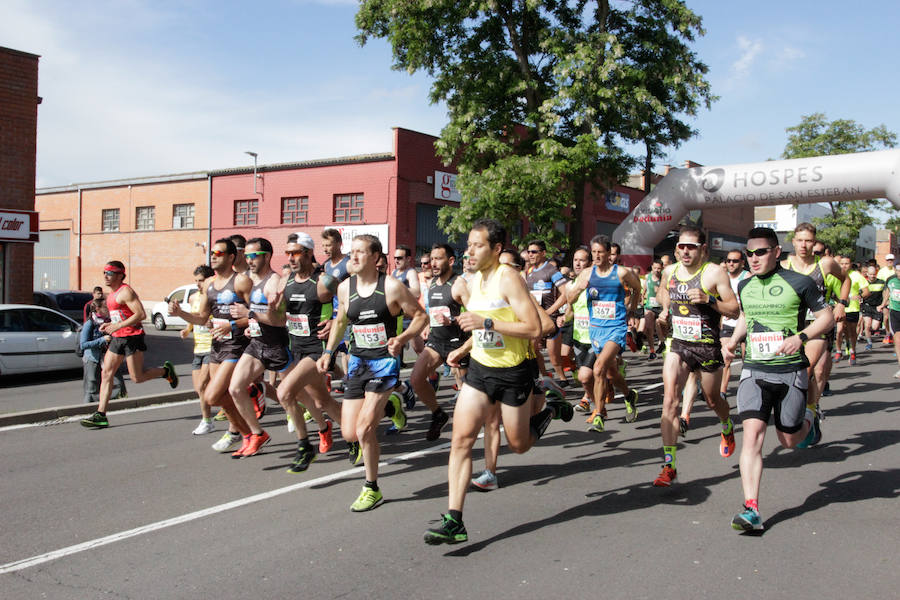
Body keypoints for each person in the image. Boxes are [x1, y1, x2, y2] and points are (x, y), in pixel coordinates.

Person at [424, 219, 572, 545]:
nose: (470, 251)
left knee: (519, 445)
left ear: (496, 249)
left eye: (478, 246)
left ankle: (549, 409)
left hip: (513, 373)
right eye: (469, 245)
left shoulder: (509, 279)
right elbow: (478, 327)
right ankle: (454, 519)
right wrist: (464, 344)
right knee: (461, 440)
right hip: (480, 371)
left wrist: (487, 322)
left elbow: (535, 328)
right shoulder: (471, 281)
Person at [722, 227, 833, 532]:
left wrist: (801, 337)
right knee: (752, 436)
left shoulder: (800, 282)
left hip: (789, 371)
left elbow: (826, 317)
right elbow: (746, 316)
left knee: (789, 441)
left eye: (760, 252)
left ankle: (810, 417)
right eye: (749, 253)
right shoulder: (745, 284)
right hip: (754, 369)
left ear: (776, 252)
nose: (753, 258)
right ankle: (751, 509)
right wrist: (733, 340)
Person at [317, 234, 427, 512]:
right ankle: (392, 405)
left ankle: (371, 487)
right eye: (352, 251)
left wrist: (402, 339)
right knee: (350, 433)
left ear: (376, 257)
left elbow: (421, 316)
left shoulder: (391, 287)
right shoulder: (345, 288)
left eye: (360, 252)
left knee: (365, 429)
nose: (353, 257)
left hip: (384, 363)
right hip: (358, 363)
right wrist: (328, 352)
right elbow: (341, 320)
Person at [652, 226, 740, 487]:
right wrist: (665, 308)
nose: (685, 251)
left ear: (703, 249)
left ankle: (726, 425)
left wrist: (708, 299)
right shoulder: (670, 271)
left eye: (691, 247)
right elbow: (662, 291)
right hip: (679, 344)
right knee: (670, 401)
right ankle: (669, 466)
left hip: (707, 346)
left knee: (712, 400)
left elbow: (734, 310)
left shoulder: (714, 273)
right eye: (681, 246)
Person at [169, 238, 254, 453]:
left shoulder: (241, 281)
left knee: (212, 395)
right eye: (212, 253)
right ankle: (244, 433)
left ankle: (252, 432)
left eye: (218, 253)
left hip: (237, 346)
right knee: (223, 396)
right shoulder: (209, 284)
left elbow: (256, 315)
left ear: (231, 257)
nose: (213, 256)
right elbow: (202, 318)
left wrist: (232, 324)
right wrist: (180, 313)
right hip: (217, 345)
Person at [277, 232, 344, 473]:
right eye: (287, 253)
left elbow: (351, 301)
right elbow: (279, 313)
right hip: (295, 348)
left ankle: (305, 447)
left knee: (284, 393)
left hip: (316, 350)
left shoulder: (324, 281)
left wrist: (335, 320)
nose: (290, 258)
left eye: (295, 253)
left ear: (308, 253)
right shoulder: (286, 280)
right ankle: (356, 435)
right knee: (322, 401)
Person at [80, 262, 177, 428]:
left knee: (137, 377)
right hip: (118, 337)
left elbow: (141, 314)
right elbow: (121, 315)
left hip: (133, 337)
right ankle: (101, 414)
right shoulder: (111, 295)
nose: (106, 276)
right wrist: (110, 324)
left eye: (110, 273)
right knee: (106, 373)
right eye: (104, 272)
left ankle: (165, 371)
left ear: (120, 275)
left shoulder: (126, 292)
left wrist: (118, 325)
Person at [223, 237, 292, 458]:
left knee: (297, 395)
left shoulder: (274, 282)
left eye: (254, 256)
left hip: (276, 345)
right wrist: (251, 325)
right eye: (247, 256)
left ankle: (323, 423)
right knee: (235, 388)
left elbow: (279, 320)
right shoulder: (251, 280)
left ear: (267, 256)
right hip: (257, 344)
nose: (249, 260)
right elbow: (257, 314)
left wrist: (250, 314)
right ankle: (257, 434)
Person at [566, 235, 641, 433]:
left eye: (600, 252)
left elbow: (637, 288)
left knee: (598, 368)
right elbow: (570, 299)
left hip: (616, 327)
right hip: (596, 329)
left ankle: (599, 414)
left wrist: (632, 311)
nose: (597, 256)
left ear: (609, 253)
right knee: (610, 372)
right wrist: (578, 289)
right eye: (594, 252)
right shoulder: (587, 274)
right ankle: (629, 395)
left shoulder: (621, 273)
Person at [781, 223, 847, 416]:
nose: (803, 245)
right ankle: (810, 408)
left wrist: (842, 303)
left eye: (808, 241)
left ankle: (809, 410)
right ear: (793, 242)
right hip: (793, 325)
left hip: (819, 324)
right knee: (798, 372)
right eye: (800, 240)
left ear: (814, 242)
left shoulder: (825, 264)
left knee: (811, 370)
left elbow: (845, 279)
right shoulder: (784, 266)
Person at [409, 243, 469, 442]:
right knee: (416, 379)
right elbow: (432, 310)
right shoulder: (433, 283)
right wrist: (428, 324)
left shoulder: (459, 284)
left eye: (438, 259)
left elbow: (474, 314)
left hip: (458, 343)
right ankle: (438, 414)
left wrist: (453, 320)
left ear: (450, 261)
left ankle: (481, 426)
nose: (433, 263)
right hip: (436, 341)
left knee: (467, 394)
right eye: (432, 259)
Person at [524, 240, 569, 386]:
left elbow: (565, 294)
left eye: (534, 252)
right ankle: (545, 377)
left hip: (550, 319)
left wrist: (550, 311)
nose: (530, 255)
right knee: (532, 349)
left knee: (554, 358)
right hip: (535, 318)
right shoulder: (529, 271)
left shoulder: (551, 270)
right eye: (529, 252)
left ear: (543, 253)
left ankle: (562, 379)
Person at [183, 265, 215, 435]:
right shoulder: (193, 298)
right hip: (198, 347)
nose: (197, 284)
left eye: (201, 280)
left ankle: (207, 421)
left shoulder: (213, 298)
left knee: (203, 385)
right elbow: (194, 318)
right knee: (199, 389)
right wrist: (187, 329)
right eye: (196, 280)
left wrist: (212, 323)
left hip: (212, 347)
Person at [80, 299, 126, 404]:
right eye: (105, 307)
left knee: (118, 385)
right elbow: (83, 345)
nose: (108, 309)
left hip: (109, 357)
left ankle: (117, 404)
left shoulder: (109, 322)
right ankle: (88, 408)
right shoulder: (89, 324)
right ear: (98, 309)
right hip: (93, 359)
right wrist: (102, 340)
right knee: (92, 388)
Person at [720, 250, 750, 401]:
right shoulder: (722, 278)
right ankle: (722, 393)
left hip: (745, 324)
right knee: (725, 359)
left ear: (742, 263)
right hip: (727, 324)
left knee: (747, 360)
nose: (731, 263)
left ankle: (747, 390)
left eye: (735, 261)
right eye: (728, 260)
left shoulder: (748, 277)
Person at [835, 256, 868, 365]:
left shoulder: (856, 275)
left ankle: (853, 351)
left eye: (846, 263)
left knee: (852, 331)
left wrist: (859, 296)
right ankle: (838, 351)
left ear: (850, 264)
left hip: (853, 307)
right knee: (839, 330)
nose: (844, 266)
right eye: (842, 263)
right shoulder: (835, 274)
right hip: (839, 307)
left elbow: (866, 291)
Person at [877, 261, 900, 377]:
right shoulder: (891, 279)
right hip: (895, 312)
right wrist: (883, 303)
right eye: (898, 270)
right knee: (898, 341)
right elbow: (887, 291)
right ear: (895, 270)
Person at [860, 264, 885, 350]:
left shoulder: (881, 282)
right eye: (870, 274)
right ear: (867, 274)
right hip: (866, 306)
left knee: (875, 327)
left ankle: (870, 332)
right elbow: (860, 294)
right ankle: (869, 343)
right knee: (867, 325)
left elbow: (886, 294)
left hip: (877, 307)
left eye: (874, 274)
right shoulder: (864, 283)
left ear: (876, 273)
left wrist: (882, 305)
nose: (872, 276)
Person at [877, 253, 895, 344]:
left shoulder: (896, 270)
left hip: (895, 296)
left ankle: (894, 333)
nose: (890, 261)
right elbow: (878, 284)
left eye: (891, 260)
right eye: (888, 260)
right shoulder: (882, 271)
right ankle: (888, 333)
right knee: (886, 317)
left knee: (894, 317)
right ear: (886, 261)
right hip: (885, 295)